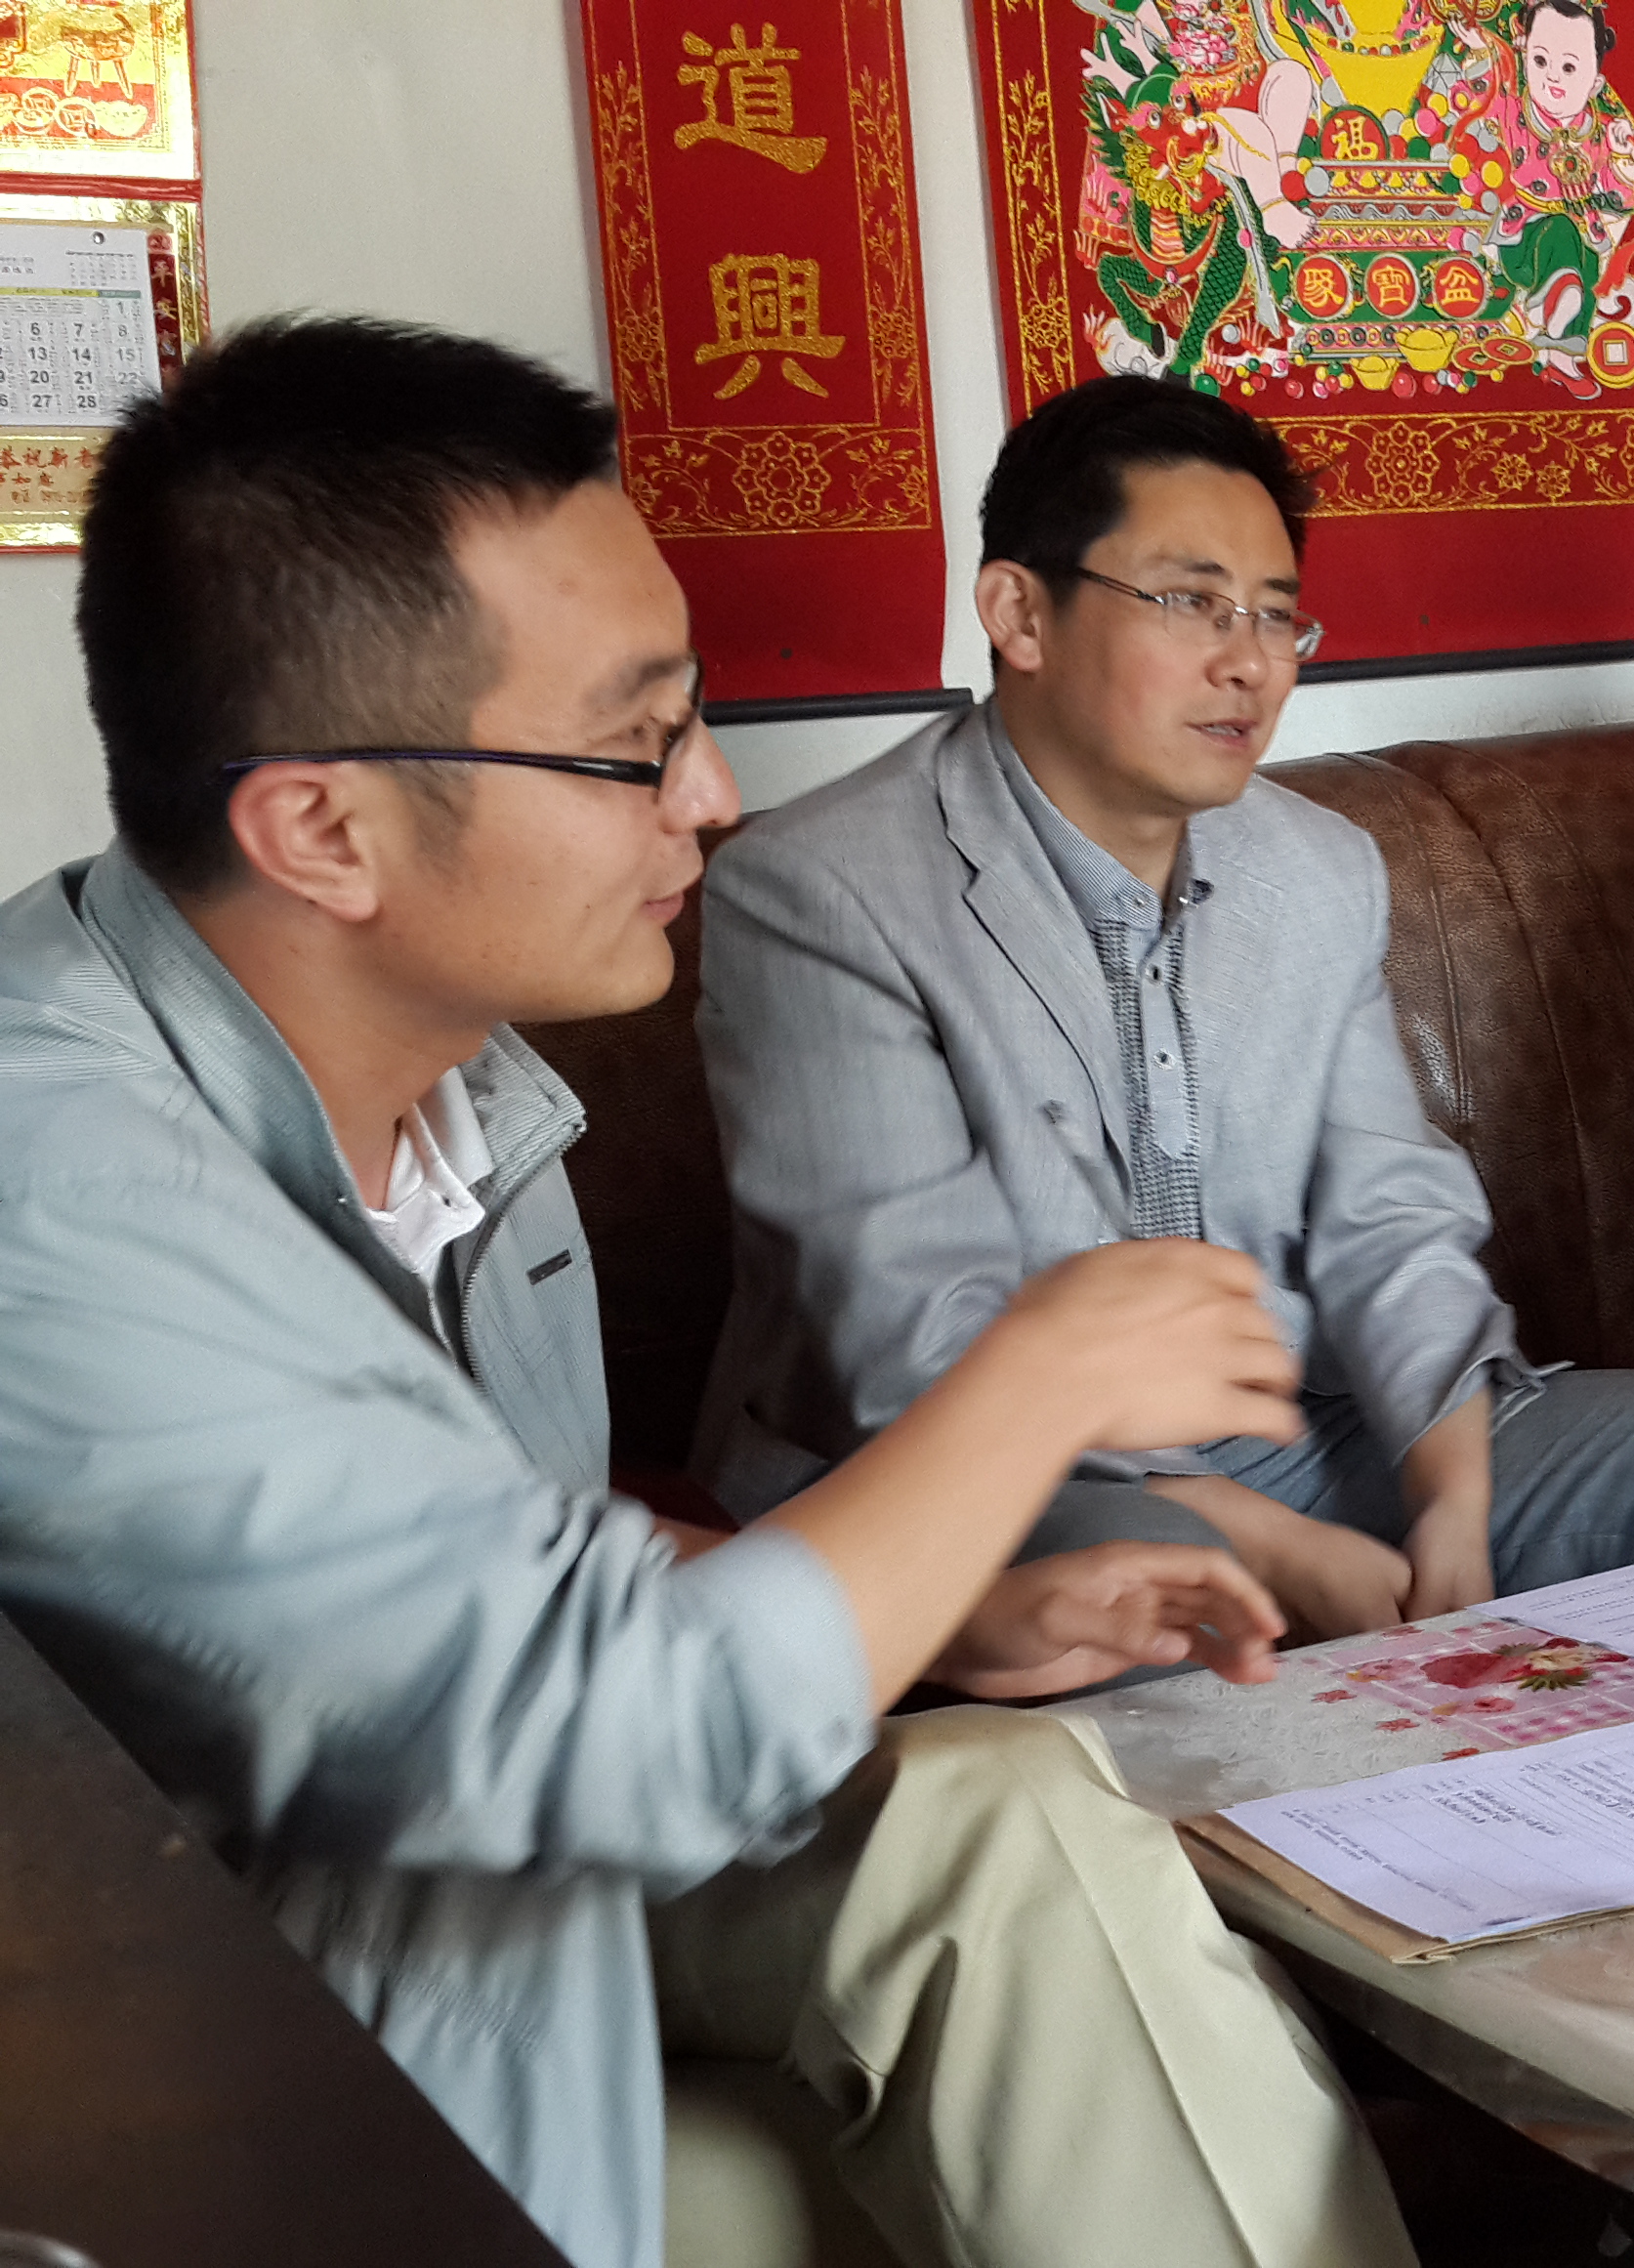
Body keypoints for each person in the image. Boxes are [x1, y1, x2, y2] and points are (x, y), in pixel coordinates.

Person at [0, 315, 1413, 2268]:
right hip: (206, 2013)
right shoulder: (60, 1185)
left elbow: (510, 1566)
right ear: (320, 828)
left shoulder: (464, 1093)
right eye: (635, 742)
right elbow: (579, 1730)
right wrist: (1045, 1369)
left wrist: (949, 1610)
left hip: (475, 1856)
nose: (714, 793)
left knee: (1010, 1820)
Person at [696, 373, 1634, 1643]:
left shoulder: (1320, 865)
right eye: (1190, 602)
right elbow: (912, 1341)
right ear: (1019, 613)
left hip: (1309, 1435)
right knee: (1152, 1578)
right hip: (994, 1479)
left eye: (1277, 615)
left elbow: (1388, 1213)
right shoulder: (820, 890)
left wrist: (1452, 1496)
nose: (1247, 661)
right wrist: (1268, 1543)